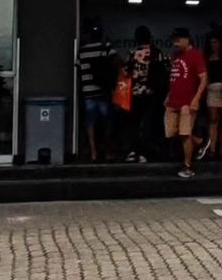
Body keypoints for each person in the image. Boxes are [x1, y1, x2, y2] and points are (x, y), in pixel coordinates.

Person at [164, 28, 208, 178]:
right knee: (171, 132)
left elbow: (203, 78)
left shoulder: (195, 55)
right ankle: (199, 141)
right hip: (173, 100)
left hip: (187, 102)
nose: (175, 43)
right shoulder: (176, 56)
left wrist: (196, 98)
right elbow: (175, 78)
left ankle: (188, 166)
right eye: (173, 40)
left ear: (186, 39)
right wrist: (168, 95)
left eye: (178, 40)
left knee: (185, 133)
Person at [124, 26, 169, 163]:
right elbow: (167, 70)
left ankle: (133, 151)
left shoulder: (132, 53)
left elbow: (126, 72)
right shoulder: (158, 53)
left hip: (135, 94)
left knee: (134, 123)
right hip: (152, 94)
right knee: (149, 123)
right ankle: (146, 152)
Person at [77, 20, 120, 162]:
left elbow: (78, 68)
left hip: (88, 91)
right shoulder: (105, 47)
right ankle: (107, 151)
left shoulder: (82, 50)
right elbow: (118, 62)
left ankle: (93, 151)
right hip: (103, 91)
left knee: (90, 122)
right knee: (107, 121)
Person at [203, 34, 222, 160]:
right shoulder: (207, 58)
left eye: (215, 42)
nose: (213, 45)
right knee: (213, 119)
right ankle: (211, 149)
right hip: (212, 89)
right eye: (211, 42)